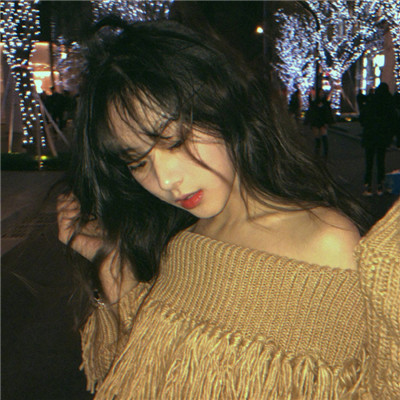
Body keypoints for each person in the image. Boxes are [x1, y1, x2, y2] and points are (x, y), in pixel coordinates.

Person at [57, 19, 398, 399]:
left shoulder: (325, 242)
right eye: (138, 162)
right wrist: (111, 266)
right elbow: (130, 380)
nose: (165, 179)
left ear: (224, 107)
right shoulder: (181, 245)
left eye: (175, 141)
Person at [360, 82, 397, 196]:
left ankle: (368, 186)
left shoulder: (371, 102)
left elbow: (363, 118)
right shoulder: (388, 103)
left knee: (369, 162)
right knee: (381, 161)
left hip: (370, 135)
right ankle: (380, 185)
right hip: (382, 136)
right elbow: (394, 121)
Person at [306, 89, 333, 159]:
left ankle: (324, 152)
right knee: (318, 138)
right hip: (317, 121)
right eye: (320, 93)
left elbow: (327, 112)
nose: (321, 94)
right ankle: (318, 152)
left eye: (322, 93)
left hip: (321, 121)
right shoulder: (316, 102)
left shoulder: (324, 102)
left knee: (323, 137)